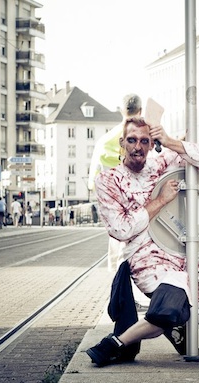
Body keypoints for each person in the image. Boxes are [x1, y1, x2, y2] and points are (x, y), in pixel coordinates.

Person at [86, 117, 199, 367]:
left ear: (152, 143)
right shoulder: (108, 180)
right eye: (131, 140)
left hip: (183, 254)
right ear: (122, 143)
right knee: (169, 306)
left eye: (145, 141)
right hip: (146, 258)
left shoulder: (161, 161)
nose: (138, 147)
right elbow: (121, 229)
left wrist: (170, 142)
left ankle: (176, 323)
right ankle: (115, 344)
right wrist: (161, 200)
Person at [88, 94, 142, 272]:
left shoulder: (104, 141)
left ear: (121, 111)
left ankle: (119, 292)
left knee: (117, 251)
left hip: (116, 209)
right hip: (141, 207)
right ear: (140, 110)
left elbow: (93, 181)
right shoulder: (147, 137)